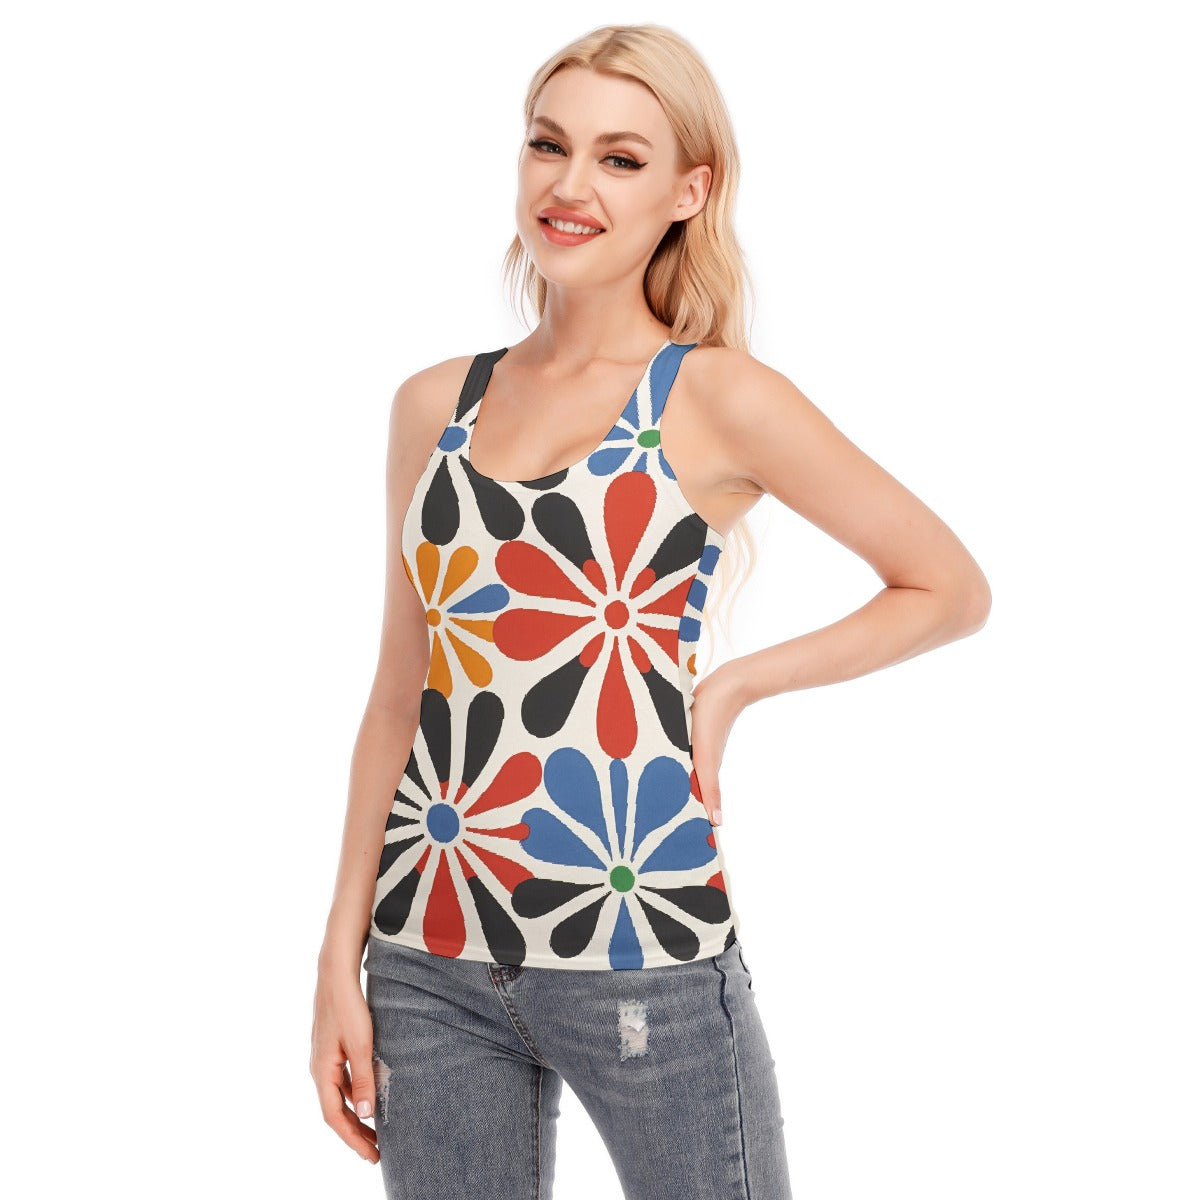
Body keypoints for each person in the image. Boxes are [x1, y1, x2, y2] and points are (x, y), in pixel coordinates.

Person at [311, 22, 991, 1200]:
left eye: (619, 159)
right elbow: (397, 697)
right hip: (427, 954)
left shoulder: (716, 397)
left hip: (643, 955)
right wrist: (341, 950)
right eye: (549, 145)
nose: (570, 186)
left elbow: (948, 586)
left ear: (690, 191)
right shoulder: (435, 406)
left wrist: (732, 686)